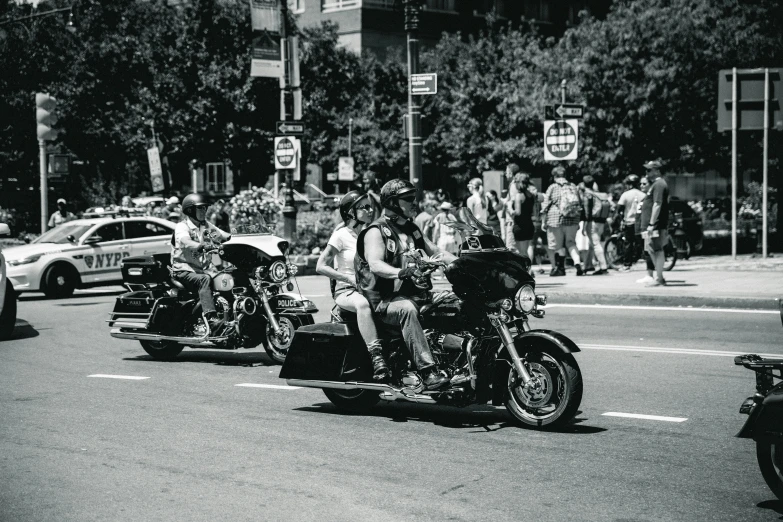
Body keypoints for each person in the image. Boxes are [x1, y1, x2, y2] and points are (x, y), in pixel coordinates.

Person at [355, 179, 458, 390]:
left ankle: (459, 357)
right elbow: (375, 264)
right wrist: (401, 272)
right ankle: (428, 371)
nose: (415, 203)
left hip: (416, 295)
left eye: (414, 198)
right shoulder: (376, 231)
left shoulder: (413, 229)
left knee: (455, 301)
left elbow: (436, 251)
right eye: (408, 199)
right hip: (385, 301)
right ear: (392, 202)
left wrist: (463, 263)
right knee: (407, 310)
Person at [317, 191, 388, 381]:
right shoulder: (340, 235)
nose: (370, 210)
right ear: (350, 212)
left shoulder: (370, 234)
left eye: (370, 206)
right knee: (363, 305)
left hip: (370, 287)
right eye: (364, 207)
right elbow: (320, 266)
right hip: (346, 291)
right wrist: (348, 279)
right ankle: (377, 357)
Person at [170, 193, 232, 332]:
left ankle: (231, 317)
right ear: (191, 210)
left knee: (227, 279)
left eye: (205, 208)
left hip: (203, 269)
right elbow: (185, 241)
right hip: (183, 270)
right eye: (201, 208)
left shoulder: (206, 226)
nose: (204, 211)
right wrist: (200, 245)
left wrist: (240, 240)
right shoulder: (182, 226)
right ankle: (211, 319)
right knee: (204, 280)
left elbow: (223, 236)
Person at [541, 167, 584, 277]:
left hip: (556, 220)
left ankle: (560, 268)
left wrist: (543, 221)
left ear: (554, 176)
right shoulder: (573, 186)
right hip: (572, 219)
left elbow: (545, 205)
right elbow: (579, 203)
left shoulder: (553, 187)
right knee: (571, 243)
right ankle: (578, 264)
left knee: (558, 245)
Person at [639, 161, 670, 287]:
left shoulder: (659, 184)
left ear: (657, 171)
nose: (646, 172)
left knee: (657, 249)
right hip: (651, 225)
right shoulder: (656, 184)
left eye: (649, 170)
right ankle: (658, 277)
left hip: (655, 224)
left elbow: (657, 204)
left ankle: (660, 278)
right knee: (651, 249)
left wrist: (652, 224)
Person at [579, 174, 610, 275]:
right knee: (592, 244)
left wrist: (584, 225)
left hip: (592, 222)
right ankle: (588, 266)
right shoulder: (600, 194)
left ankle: (603, 267)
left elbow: (587, 212)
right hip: (601, 221)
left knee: (595, 244)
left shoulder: (588, 194)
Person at [616, 175, 647, 271]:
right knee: (643, 243)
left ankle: (627, 264)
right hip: (640, 223)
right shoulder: (643, 195)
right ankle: (650, 262)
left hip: (629, 222)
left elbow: (619, 209)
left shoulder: (625, 195)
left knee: (628, 243)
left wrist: (620, 219)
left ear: (629, 184)